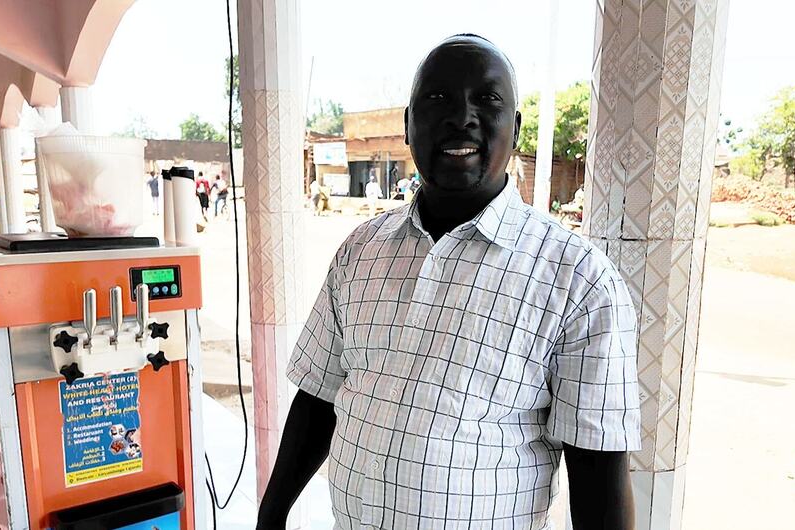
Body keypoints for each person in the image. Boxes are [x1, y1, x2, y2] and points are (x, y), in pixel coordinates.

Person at [257, 35, 639, 530]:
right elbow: (319, 395)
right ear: (408, 125)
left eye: (488, 99)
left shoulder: (579, 280)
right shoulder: (361, 251)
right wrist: (272, 514)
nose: (462, 116)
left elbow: (598, 470)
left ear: (516, 128)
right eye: (437, 98)